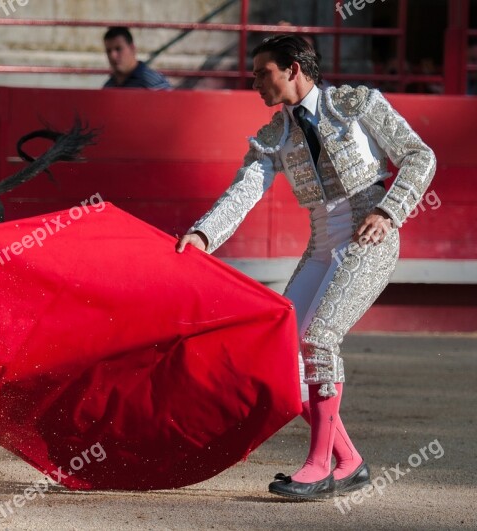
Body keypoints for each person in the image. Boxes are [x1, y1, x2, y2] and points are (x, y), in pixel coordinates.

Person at [176, 35, 435, 500]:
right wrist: (203, 235)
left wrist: (390, 209)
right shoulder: (274, 134)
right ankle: (349, 460)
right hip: (322, 245)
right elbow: (244, 191)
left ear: (293, 69)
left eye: (262, 72)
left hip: (370, 235)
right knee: (280, 350)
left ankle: (320, 466)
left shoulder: (357, 103)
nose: (254, 82)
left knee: (318, 339)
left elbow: (420, 155)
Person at [102, 26, 171, 90]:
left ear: (132, 48)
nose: (113, 56)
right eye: (108, 51)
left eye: (118, 49)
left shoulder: (153, 83)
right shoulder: (108, 86)